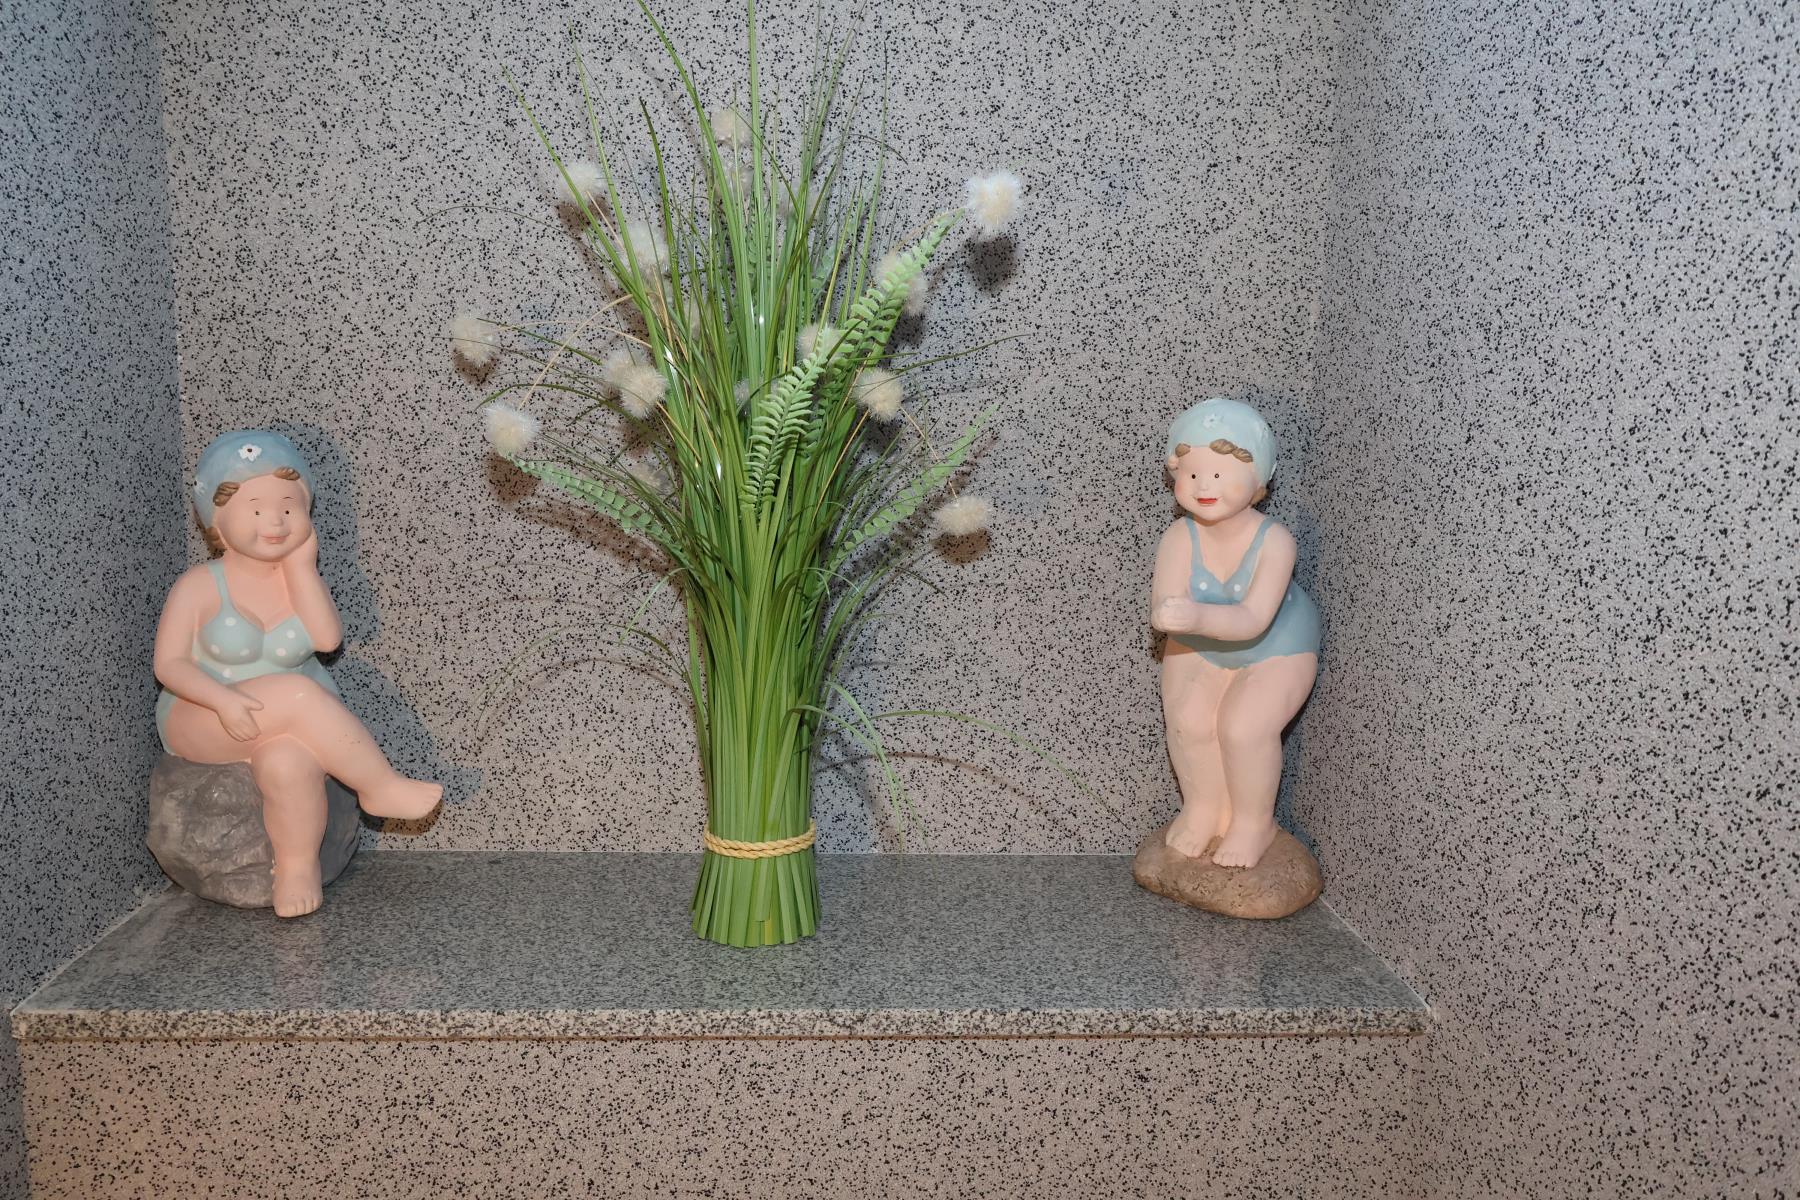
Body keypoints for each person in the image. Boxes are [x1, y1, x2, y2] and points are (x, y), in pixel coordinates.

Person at [154, 431, 441, 916]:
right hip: (203, 715)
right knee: (297, 691)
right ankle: (378, 785)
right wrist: (222, 699)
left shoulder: (298, 579)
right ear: (216, 521)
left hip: (280, 725)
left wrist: (303, 570)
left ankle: (295, 869)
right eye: (256, 509)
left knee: (287, 760)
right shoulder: (199, 585)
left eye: (289, 507)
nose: (275, 521)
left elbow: (327, 640)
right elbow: (169, 665)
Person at [1149, 398, 1320, 869]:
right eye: (1192, 474)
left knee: (1243, 728)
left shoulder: (1276, 541)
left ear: (1258, 481)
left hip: (1276, 648)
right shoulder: (1179, 538)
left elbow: (1252, 620)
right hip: (1201, 645)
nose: (1204, 486)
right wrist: (1171, 616)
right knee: (1188, 722)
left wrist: (1191, 617)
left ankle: (1252, 823)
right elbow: (1164, 608)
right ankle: (1203, 809)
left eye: (1220, 474)